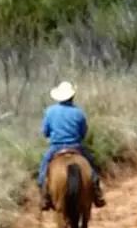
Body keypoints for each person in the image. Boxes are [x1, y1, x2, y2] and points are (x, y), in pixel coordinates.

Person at [38, 81, 105, 210]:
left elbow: (45, 132)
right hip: (76, 146)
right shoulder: (79, 112)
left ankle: (45, 195)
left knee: (43, 168)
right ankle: (97, 193)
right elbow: (83, 132)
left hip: (56, 147)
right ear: (72, 96)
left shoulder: (50, 111)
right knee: (92, 166)